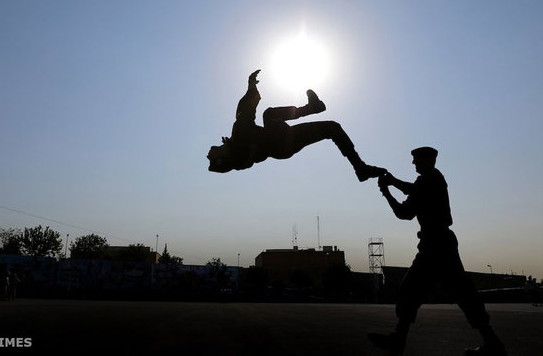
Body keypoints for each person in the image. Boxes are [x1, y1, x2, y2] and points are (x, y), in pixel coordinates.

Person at [368, 146, 506, 356]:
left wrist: (388, 188)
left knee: (412, 290)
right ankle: (492, 343)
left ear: (427, 160)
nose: (413, 164)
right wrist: (390, 186)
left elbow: (405, 211)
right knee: (461, 294)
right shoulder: (431, 180)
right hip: (440, 244)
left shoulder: (430, 180)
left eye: (416, 160)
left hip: (436, 245)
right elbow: (409, 202)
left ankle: (398, 339)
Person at [207, 69, 385, 181]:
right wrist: (251, 86)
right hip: (281, 145)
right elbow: (243, 162)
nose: (208, 153)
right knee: (268, 115)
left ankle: (360, 168)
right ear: (221, 159)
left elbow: (245, 109)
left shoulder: (237, 135)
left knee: (332, 127)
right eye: (210, 157)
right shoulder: (239, 151)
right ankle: (311, 108)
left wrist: (252, 87)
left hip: (284, 137)